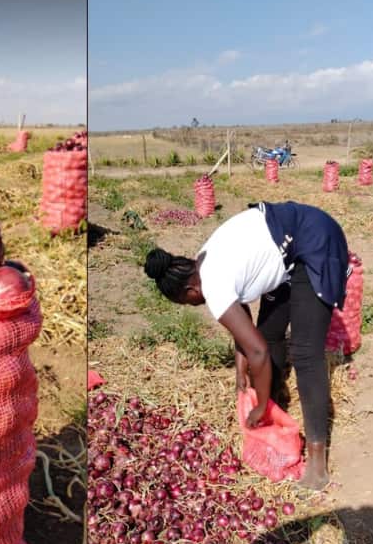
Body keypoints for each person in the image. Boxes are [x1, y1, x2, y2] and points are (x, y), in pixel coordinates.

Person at [143, 201, 349, 491]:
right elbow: (247, 327)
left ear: (190, 291)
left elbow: (258, 352)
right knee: (269, 333)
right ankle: (276, 415)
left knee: (304, 353)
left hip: (315, 241)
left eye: (186, 303)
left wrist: (260, 404)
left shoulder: (212, 287)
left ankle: (317, 460)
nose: (193, 305)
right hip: (285, 247)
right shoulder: (202, 259)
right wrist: (241, 368)